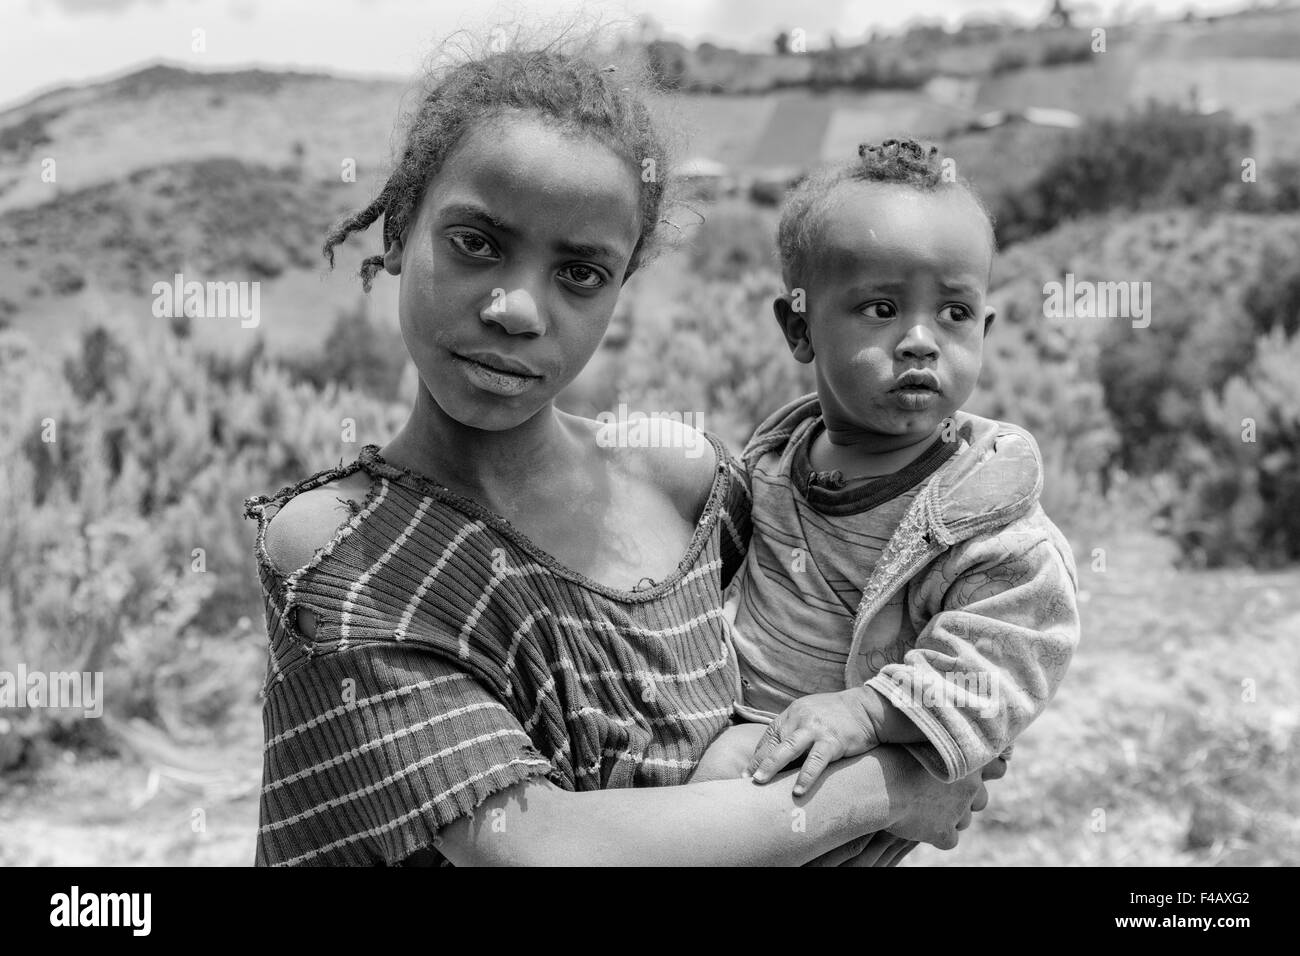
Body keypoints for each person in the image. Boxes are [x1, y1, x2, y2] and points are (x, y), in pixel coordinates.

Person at [243, 46, 1001, 867]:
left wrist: (938, 712)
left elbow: (855, 605)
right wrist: (888, 787)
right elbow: (531, 847)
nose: (518, 309)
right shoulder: (342, 550)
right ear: (399, 233)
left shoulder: (681, 482)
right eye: (476, 243)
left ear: (621, 285)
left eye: (579, 272)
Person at [714, 139, 1080, 804]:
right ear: (800, 330)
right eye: (882, 309)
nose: (921, 339)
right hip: (730, 739)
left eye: (954, 313)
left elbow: (1008, 656)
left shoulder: (983, 516)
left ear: (985, 329)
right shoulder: (770, 464)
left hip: (843, 780)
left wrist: (868, 712)